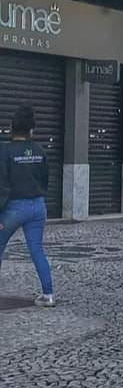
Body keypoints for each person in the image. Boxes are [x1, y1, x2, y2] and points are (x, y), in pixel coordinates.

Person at [0, 105, 55, 307]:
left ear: (12, 129)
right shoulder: (40, 151)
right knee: (37, 250)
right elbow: (45, 178)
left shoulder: (5, 151)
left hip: (14, 208)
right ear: (31, 130)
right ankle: (48, 295)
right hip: (38, 207)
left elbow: (2, 185)